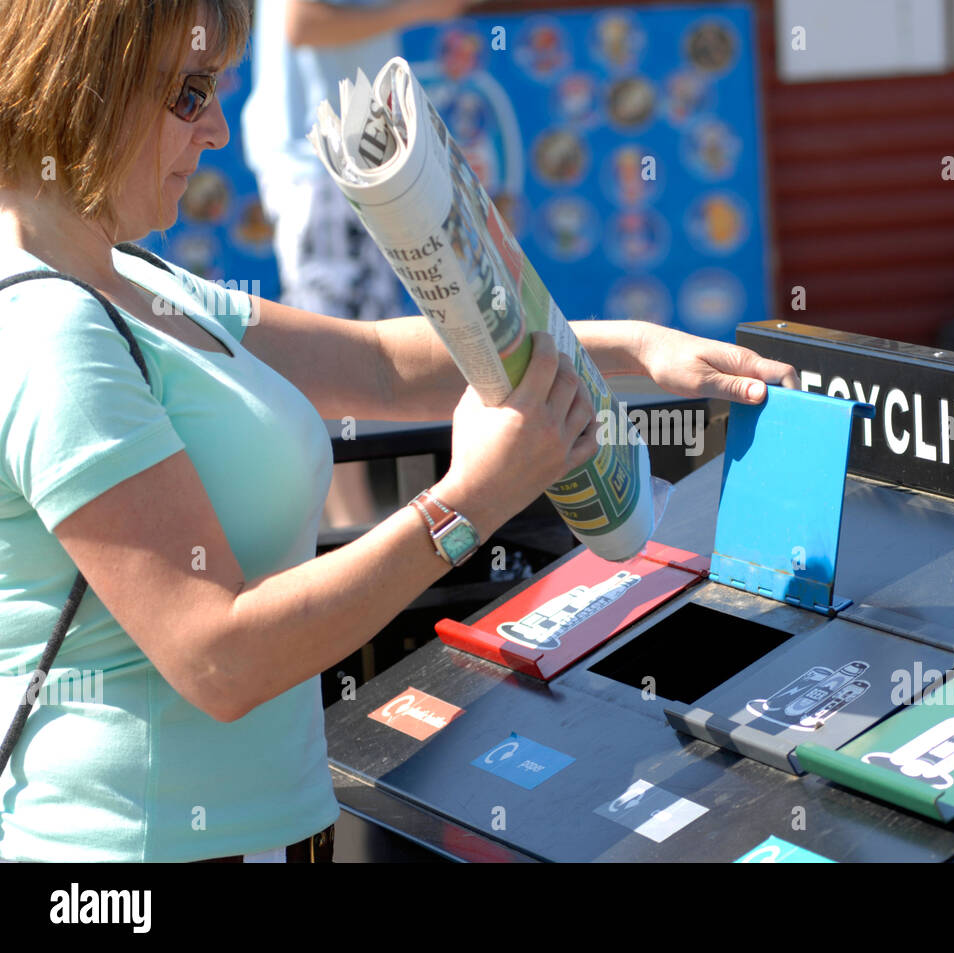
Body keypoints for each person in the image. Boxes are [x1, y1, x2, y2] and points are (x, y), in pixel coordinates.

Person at [0, 0, 796, 862]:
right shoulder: (55, 331)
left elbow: (380, 363)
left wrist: (635, 347)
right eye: (190, 95)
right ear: (84, 84)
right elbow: (217, 655)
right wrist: (469, 502)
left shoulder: (132, 277)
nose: (220, 130)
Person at [243, 0, 481, 529]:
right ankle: (350, 535)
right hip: (325, 163)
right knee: (337, 355)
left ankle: (353, 530)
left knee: (359, 349)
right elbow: (305, 23)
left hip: (348, 160)